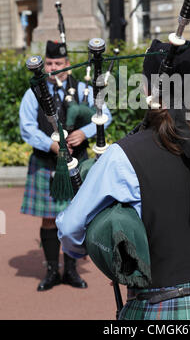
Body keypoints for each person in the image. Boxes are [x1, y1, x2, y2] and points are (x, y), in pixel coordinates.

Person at [56, 40, 190, 320]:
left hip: (161, 308)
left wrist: (98, 250)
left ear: (146, 89)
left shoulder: (121, 156)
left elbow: (70, 229)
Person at [20, 40, 112, 291]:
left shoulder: (82, 88)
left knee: (75, 215)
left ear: (68, 65)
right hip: (46, 162)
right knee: (49, 219)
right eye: (49, 63)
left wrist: (84, 132)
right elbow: (26, 127)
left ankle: (71, 271)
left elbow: (106, 114)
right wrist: (50, 144)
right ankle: (52, 271)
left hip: (77, 162)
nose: (52, 67)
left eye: (58, 63)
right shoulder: (33, 93)